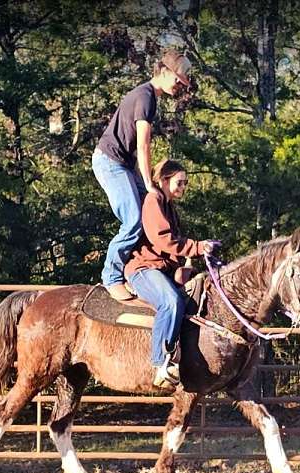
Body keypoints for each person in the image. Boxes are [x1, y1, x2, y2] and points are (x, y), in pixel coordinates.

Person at [92, 49, 193, 301]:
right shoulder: (146, 96)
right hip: (110, 162)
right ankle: (112, 277)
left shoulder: (150, 97)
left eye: (183, 83)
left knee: (151, 208)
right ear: (163, 71)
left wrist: (145, 182)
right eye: (177, 80)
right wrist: (147, 181)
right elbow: (143, 144)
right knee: (134, 219)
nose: (179, 86)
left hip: (124, 164)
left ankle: (143, 266)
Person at [125, 159, 221, 389]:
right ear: (164, 180)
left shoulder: (167, 205)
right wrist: (198, 247)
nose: (183, 187)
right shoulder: (154, 200)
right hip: (144, 269)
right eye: (180, 182)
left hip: (160, 268)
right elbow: (162, 239)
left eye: (186, 183)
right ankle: (161, 362)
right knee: (171, 301)